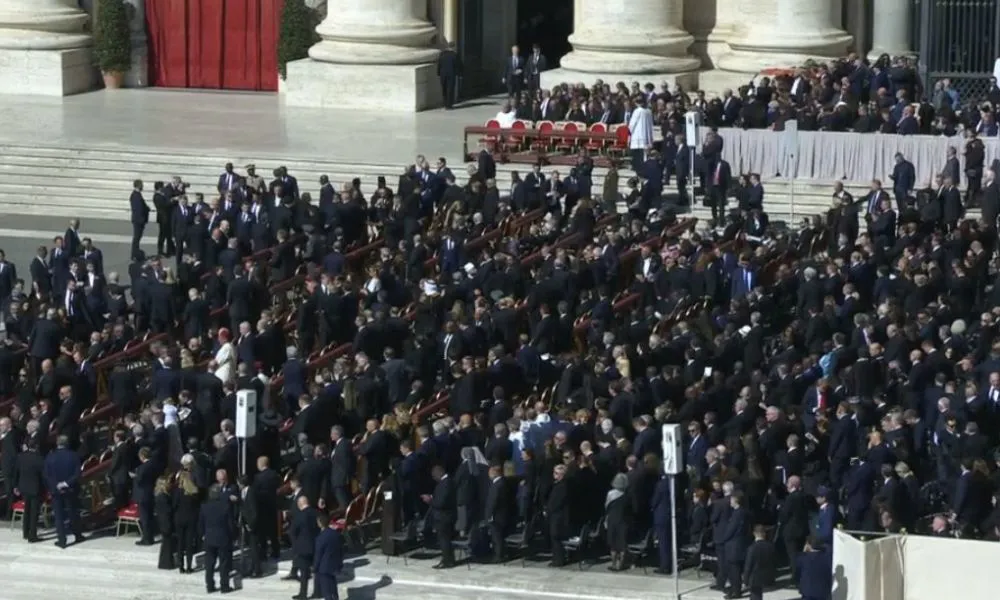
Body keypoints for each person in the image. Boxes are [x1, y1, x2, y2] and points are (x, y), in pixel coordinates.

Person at [43, 434, 85, 548]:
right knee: (73, 513)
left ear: (57, 443)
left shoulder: (50, 456)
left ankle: (62, 540)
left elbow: (47, 475)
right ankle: (78, 535)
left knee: (59, 516)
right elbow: (77, 474)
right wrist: (66, 483)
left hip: (55, 490)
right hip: (70, 489)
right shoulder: (74, 456)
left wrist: (56, 485)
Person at [199, 484, 235, 594]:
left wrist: (202, 535)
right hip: (223, 538)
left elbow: (200, 524)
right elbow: (230, 524)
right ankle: (224, 586)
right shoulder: (225, 506)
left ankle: (210, 586)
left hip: (209, 538)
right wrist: (232, 536)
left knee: (209, 564)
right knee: (223, 564)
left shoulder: (204, 507)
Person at [426, 464, 457, 568]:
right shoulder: (446, 482)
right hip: (444, 516)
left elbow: (441, 502)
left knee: (444, 540)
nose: (433, 478)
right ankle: (449, 559)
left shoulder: (446, 483)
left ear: (439, 473)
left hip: (444, 517)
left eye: (434, 475)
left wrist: (430, 501)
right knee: (445, 539)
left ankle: (447, 561)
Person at [14, 439, 45, 542]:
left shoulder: (20, 457)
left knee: (26, 510)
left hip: (23, 487)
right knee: (34, 512)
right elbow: (43, 475)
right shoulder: (39, 458)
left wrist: (16, 486)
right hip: (35, 487)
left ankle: (25, 532)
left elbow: (16, 473)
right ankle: (32, 535)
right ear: (36, 446)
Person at [290, 494, 320, 599]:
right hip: (316, 545)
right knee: (317, 571)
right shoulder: (317, 513)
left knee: (304, 572)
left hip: (303, 547)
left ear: (299, 504)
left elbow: (293, 531)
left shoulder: (299, 516)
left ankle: (303, 594)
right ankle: (318, 592)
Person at [173, 465, 201, 574]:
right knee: (189, 544)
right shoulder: (193, 492)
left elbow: (174, 505)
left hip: (179, 519)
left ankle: (181, 566)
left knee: (180, 543)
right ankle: (189, 566)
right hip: (191, 519)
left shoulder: (177, 492)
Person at [313, 512, 345, 600]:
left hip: (324, 568)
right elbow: (341, 551)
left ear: (319, 523)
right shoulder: (336, 534)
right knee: (333, 589)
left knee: (327, 591)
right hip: (334, 566)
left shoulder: (320, 538)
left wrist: (315, 567)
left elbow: (318, 555)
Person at [742, 525, 776, 600]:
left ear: (754, 533)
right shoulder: (770, 546)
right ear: (764, 534)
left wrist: (745, 580)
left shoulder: (752, 548)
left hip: (754, 577)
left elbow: (748, 566)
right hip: (767, 575)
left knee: (755, 595)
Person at [605, 472, 630, 571]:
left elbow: (606, 506)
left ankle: (613, 563)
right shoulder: (627, 495)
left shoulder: (610, 494)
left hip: (612, 519)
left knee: (613, 544)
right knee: (622, 544)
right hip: (623, 520)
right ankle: (621, 564)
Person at [155, 473, 176, 569]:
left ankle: (165, 563)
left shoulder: (160, 496)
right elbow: (167, 511)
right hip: (166, 522)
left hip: (163, 522)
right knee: (167, 544)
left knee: (166, 544)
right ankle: (166, 563)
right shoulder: (163, 497)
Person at [437, 42, 462, 110]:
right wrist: (459, 74)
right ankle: (449, 105)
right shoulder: (455, 55)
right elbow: (458, 66)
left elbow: (439, 64)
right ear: (454, 47)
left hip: (443, 74)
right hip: (451, 74)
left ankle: (445, 104)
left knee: (444, 89)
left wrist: (438, 73)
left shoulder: (442, 54)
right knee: (450, 89)